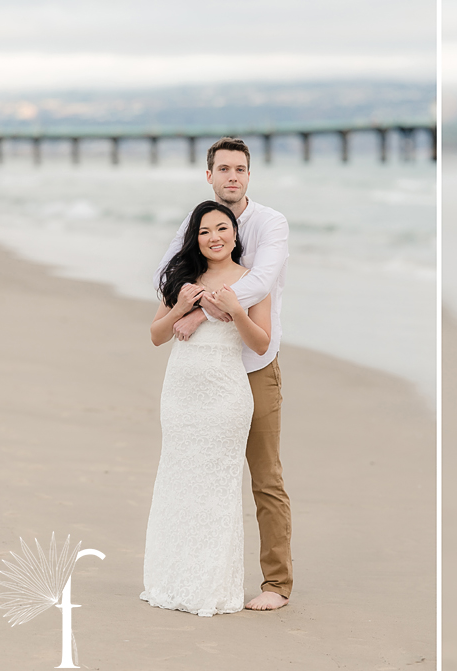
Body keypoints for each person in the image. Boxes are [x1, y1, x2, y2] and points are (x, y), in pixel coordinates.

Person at [153, 137, 293, 611]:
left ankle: (277, 584)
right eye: (224, 169)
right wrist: (180, 307)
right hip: (196, 376)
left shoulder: (270, 223)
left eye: (241, 169)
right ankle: (189, 568)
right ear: (208, 175)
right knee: (197, 473)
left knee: (264, 475)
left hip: (253, 365)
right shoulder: (197, 222)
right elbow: (167, 273)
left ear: (249, 176)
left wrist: (199, 315)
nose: (232, 176)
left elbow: (257, 282)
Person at [143, 200, 271, 616]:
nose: (213, 237)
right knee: (179, 480)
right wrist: (182, 307)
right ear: (194, 239)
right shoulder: (182, 277)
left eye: (221, 228)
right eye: (204, 231)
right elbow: (157, 336)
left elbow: (261, 344)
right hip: (180, 393)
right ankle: (172, 578)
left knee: (216, 488)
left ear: (235, 233)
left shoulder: (252, 282)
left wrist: (235, 311)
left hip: (225, 395)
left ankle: (211, 586)